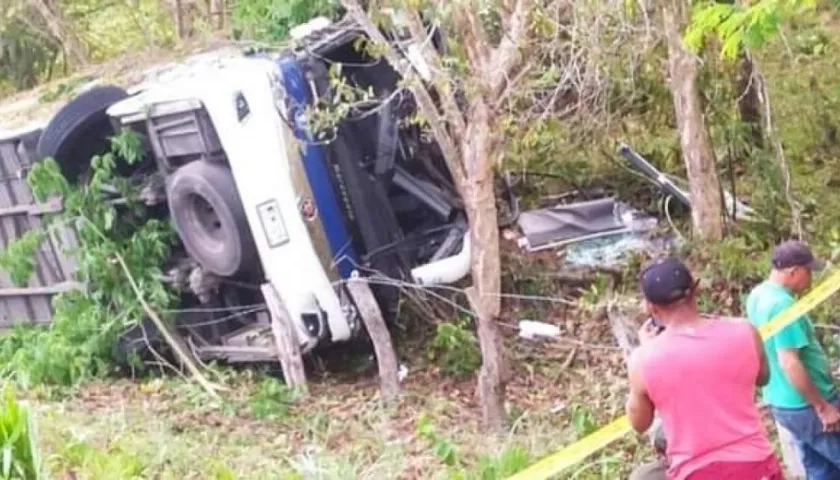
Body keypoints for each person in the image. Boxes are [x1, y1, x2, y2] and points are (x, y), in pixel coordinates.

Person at [627, 257, 783, 480]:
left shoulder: (643, 360)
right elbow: (763, 377)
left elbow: (639, 423)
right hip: (755, 463)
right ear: (696, 289)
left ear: (650, 307)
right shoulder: (744, 331)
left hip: (696, 471)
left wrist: (649, 350)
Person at [746, 240, 840, 479]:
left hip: (782, 401)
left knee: (819, 466)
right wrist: (822, 407)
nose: (811, 279)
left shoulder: (758, 295)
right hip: (807, 404)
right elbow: (789, 361)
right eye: (808, 272)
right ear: (793, 271)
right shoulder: (781, 305)